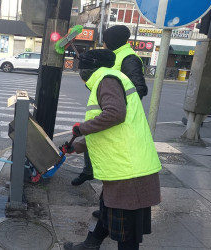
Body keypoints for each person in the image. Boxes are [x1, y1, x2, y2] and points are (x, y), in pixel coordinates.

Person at [62, 49, 161, 250]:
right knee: (108, 209)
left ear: (88, 71)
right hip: (124, 166)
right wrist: (76, 146)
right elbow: (108, 132)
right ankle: (91, 244)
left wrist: (81, 128)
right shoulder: (109, 79)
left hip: (129, 169)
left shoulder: (106, 80)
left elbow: (115, 114)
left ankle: (92, 245)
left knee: (127, 231)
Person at [70, 25, 148, 189]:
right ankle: (89, 171)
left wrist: (117, 98)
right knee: (94, 136)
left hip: (119, 116)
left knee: (117, 172)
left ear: (112, 42)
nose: (103, 45)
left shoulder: (128, 58)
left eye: (105, 42)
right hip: (111, 108)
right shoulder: (115, 55)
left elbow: (139, 87)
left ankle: (96, 182)